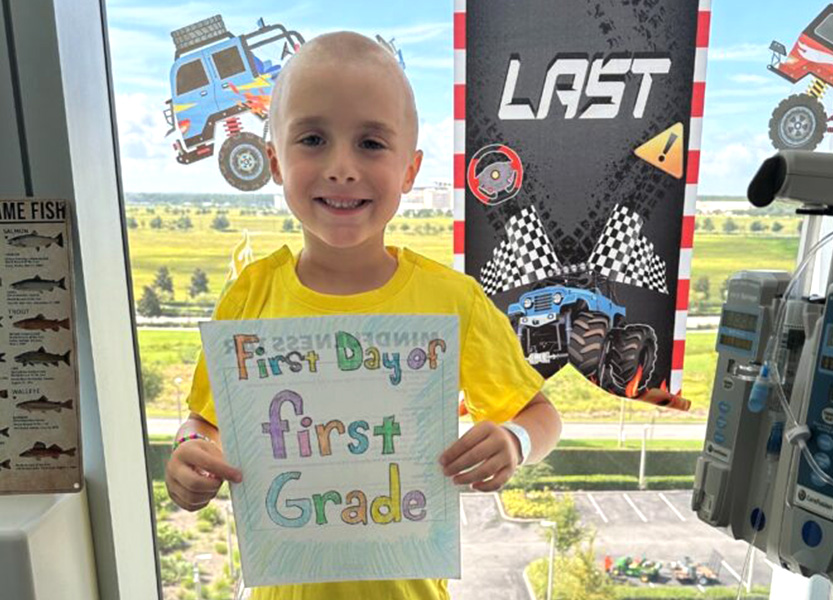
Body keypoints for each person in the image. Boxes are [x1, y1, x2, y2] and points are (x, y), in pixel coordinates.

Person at [164, 31, 562, 600]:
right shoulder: (247, 299)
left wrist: (516, 441)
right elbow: (205, 423)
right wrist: (186, 450)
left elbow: (540, 413)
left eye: (372, 143)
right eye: (313, 138)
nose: (342, 167)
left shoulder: (453, 301)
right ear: (275, 161)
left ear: (409, 170)